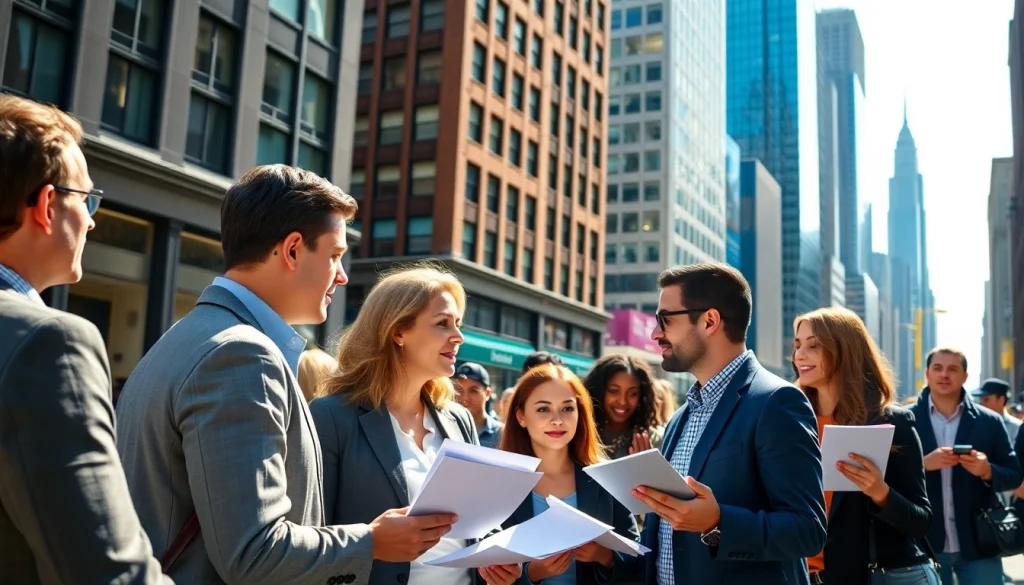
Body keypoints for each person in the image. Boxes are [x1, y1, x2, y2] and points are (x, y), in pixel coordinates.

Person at [116, 165, 432, 584]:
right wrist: (371, 540)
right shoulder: (240, 355)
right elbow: (253, 553)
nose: (341, 275)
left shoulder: (190, 338)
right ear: (294, 250)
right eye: (335, 256)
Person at [0, 95, 170, 583]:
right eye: (88, 198)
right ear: (48, 205)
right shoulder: (48, 343)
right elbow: (108, 568)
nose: (93, 219)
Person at [309, 265, 522, 585]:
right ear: (398, 332)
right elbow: (309, 537)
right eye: (442, 324)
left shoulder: (458, 418)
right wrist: (371, 540)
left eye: (458, 324)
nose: (459, 336)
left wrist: (495, 555)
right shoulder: (332, 417)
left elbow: (475, 520)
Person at [631, 263, 826, 585]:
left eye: (665, 319)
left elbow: (807, 530)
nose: (655, 333)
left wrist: (718, 521)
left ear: (709, 321)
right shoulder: (682, 415)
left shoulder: (776, 402)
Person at [793, 307, 938, 585]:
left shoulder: (891, 422)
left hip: (870, 576)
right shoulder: (790, 422)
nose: (800, 354)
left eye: (813, 346)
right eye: (798, 345)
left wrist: (879, 492)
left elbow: (920, 521)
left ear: (844, 350)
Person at [499, 364, 640, 584]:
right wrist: (532, 573)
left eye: (567, 408)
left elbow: (637, 562)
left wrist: (604, 556)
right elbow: (483, 572)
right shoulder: (498, 483)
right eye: (543, 409)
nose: (557, 420)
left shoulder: (606, 477)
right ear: (521, 416)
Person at [910, 347, 1022, 585]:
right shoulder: (904, 419)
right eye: (938, 368)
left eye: (953, 369)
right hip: (922, 542)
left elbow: (1014, 474)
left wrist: (987, 470)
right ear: (927, 374)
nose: (944, 375)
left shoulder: (989, 421)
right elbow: (887, 475)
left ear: (965, 377)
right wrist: (922, 464)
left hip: (979, 541)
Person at [582, 355, 664, 459]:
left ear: (642, 396)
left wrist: (646, 468)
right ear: (598, 391)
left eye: (632, 393)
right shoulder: (581, 433)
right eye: (613, 391)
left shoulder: (653, 441)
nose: (622, 401)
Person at [454, 362, 505, 448]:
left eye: (473, 391)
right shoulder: (446, 427)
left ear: (487, 393)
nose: (465, 398)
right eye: (459, 390)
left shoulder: (502, 435)